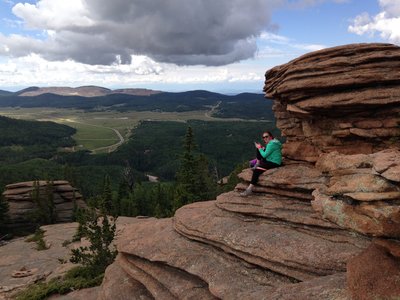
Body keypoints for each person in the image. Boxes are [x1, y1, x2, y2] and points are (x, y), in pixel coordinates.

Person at [240, 131, 282, 197]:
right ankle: (258, 163)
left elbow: (264, 155)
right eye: (263, 137)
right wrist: (259, 148)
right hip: (270, 159)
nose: (265, 138)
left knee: (256, 170)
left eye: (266, 136)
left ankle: (249, 189)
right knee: (260, 148)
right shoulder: (272, 143)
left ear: (271, 137)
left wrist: (259, 148)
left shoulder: (272, 144)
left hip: (274, 162)